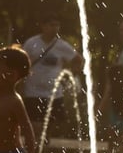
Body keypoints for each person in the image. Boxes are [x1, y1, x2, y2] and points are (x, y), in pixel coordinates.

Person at [21, 15, 84, 144]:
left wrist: (70, 75)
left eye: (57, 25)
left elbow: (78, 60)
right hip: (33, 92)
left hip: (54, 94)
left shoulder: (62, 46)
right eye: (51, 25)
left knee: (53, 125)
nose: (55, 28)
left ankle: (44, 152)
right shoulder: (32, 43)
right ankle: (34, 151)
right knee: (35, 126)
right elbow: (21, 61)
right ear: (43, 26)